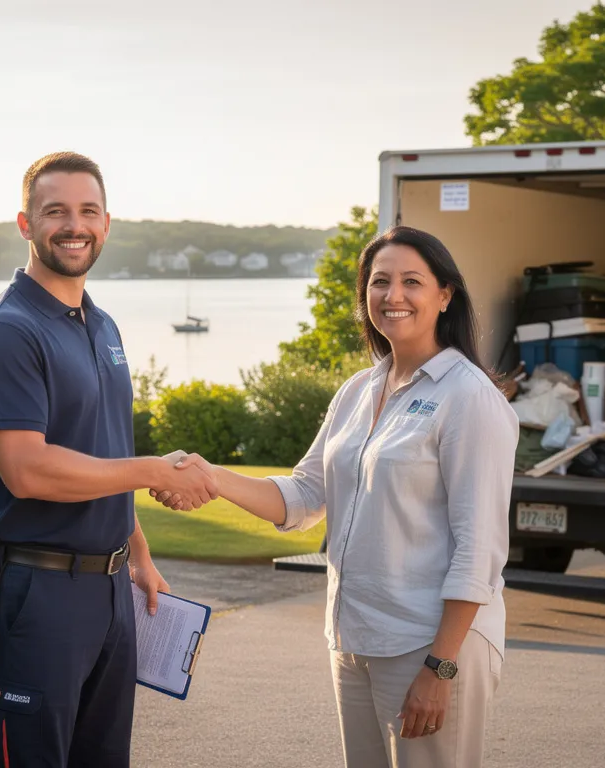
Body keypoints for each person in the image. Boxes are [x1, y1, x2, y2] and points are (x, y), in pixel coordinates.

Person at [158, 225, 518, 767]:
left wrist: (441, 667)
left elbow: (480, 549)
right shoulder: (358, 390)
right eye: (380, 282)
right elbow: (303, 496)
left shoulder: (468, 397)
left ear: (445, 296)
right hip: (355, 641)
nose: (393, 296)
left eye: (412, 282)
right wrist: (211, 477)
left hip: (428, 647)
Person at [0, 151, 218, 768]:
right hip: (33, 595)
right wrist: (154, 470)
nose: (75, 226)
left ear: (106, 222)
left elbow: (103, 453)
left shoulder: (102, 326)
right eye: (56, 212)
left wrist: (140, 556)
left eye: (88, 211)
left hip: (109, 593)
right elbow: (28, 469)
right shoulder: (3, 333)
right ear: (25, 223)